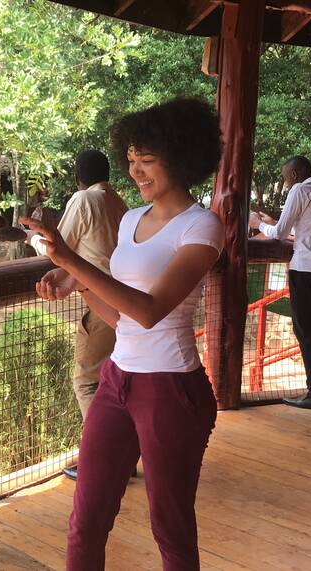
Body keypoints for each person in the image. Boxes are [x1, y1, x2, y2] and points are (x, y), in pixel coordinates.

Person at [22, 97, 223, 570]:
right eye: (131, 159)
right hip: (116, 380)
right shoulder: (130, 219)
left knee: (170, 526)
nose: (136, 171)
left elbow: (150, 311)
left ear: (181, 157)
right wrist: (71, 283)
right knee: (85, 519)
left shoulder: (202, 226)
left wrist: (71, 260)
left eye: (147, 160)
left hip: (170, 388)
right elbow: (120, 317)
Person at [26, 149, 128, 481]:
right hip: (123, 300)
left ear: (76, 177)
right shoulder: (119, 201)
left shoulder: (84, 200)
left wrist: (33, 240)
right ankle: (120, 457)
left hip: (101, 302)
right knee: (114, 381)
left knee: (86, 380)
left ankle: (104, 461)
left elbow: (61, 251)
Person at [248, 156, 311, 410]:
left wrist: (257, 225)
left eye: (286, 177)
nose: (286, 183)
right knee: (307, 329)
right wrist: (270, 224)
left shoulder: (300, 189)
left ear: (296, 174)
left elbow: (279, 234)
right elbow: (303, 231)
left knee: (305, 330)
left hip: (306, 268)